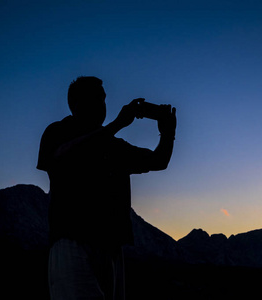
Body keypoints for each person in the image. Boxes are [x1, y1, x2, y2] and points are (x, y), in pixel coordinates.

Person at [37, 76, 176, 300]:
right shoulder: (59, 131)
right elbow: (61, 157)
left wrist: (168, 133)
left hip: (111, 246)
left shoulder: (113, 146)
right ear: (75, 104)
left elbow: (158, 161)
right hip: (72, 241)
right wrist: (117, 125)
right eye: (95, 99)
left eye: (103, 99)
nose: (102, 105)